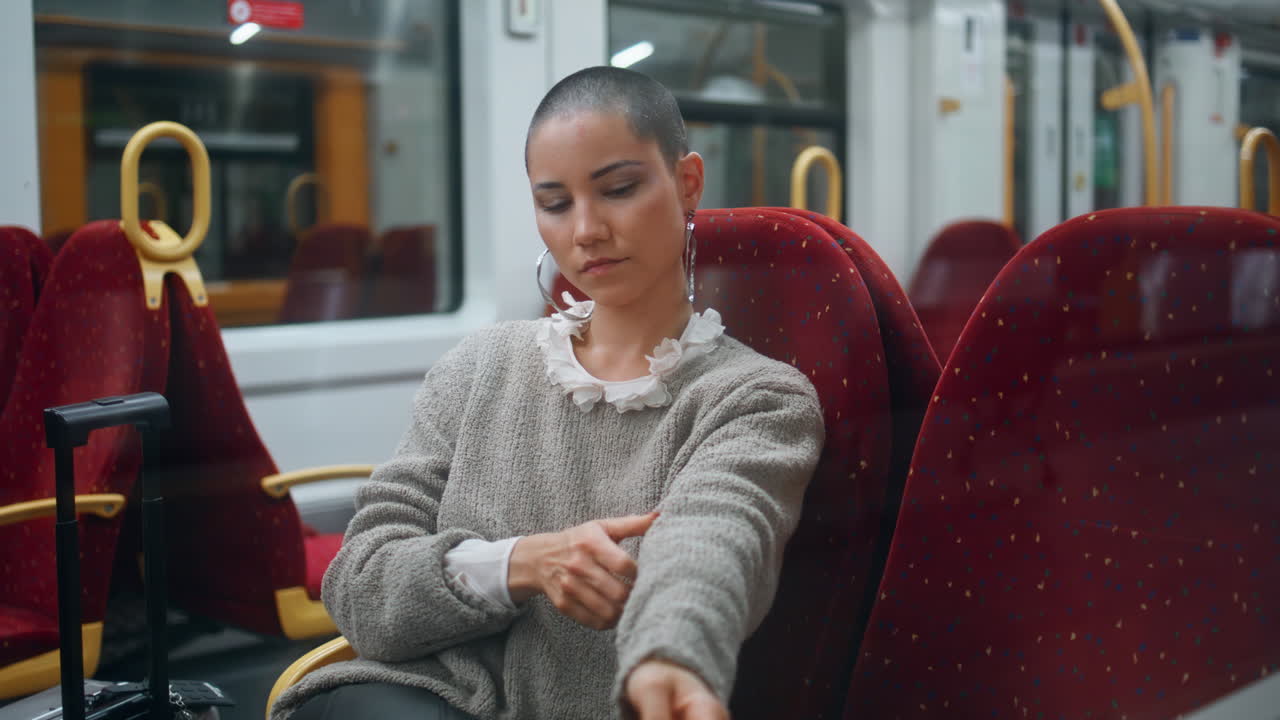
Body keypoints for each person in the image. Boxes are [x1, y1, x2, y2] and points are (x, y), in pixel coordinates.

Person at [273, 66, 824, 720]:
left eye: (618, 189)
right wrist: (518, 565)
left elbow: (713, 541)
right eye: (555, 203)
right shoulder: (480, 366)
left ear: (687, 183)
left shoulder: (756, 398)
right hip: (411, 696)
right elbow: (361, 583)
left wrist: (670, 657)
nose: (585, 230)